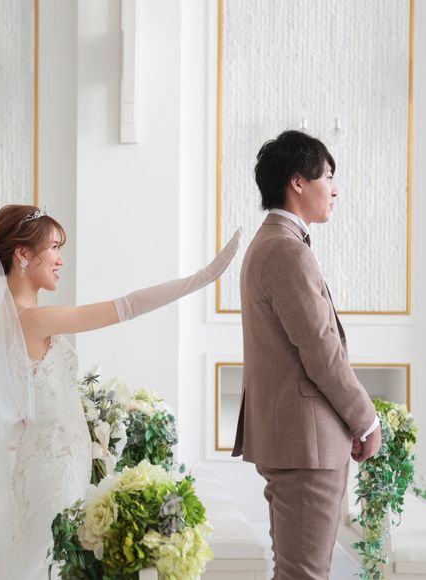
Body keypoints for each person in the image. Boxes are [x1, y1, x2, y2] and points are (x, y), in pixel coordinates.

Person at [0, 204, 242, 580]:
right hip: (54, 467)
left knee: (44, 555)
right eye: (54, 247)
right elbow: (126, 307)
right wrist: (202, 277)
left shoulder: (10, 316)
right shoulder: (33, 318)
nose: (61, 259)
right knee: (42, 558)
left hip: (50, 460)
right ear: (23, 254)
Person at [232, 130, 382, 580]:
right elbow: (321, 351)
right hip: (307, 448)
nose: (335, 189)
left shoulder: (273, 243)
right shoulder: (285, 250)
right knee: (305, 575)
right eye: (328, 176)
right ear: (297, 182)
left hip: (300, 442)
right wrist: (366, 420)